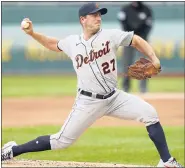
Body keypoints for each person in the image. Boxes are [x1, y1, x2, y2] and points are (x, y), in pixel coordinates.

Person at [2, 2, 182, 167]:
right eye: (94, 15)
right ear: (83, 19)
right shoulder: (73, 43)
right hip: (88, 102)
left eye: (100, 14)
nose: (98, 18)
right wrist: (32, 33)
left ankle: (166, 161)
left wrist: (154, 59)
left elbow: (136, 39)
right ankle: (13, 150)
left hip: (114, 97)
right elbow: (51, 43)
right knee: (61, 141)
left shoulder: (110, 35)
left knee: (150, 113)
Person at [117, 1, 153, 93]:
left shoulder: (146, 9)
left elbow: (148, 25)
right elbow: (123, 23)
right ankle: (126, 87)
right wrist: (131, 35)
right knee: (127, 64)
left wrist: (140, 36)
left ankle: (143, 88)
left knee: (144, 64)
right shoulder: (125, 9)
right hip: (129, 40)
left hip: (142, 40)